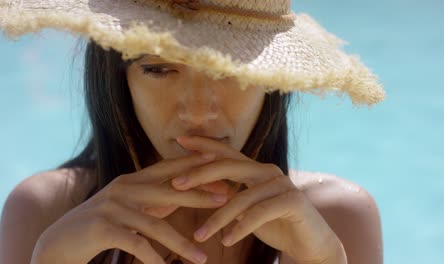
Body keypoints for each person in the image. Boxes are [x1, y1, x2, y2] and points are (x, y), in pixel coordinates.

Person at [0, 1, 385, 264]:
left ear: (273, 82)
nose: (199, 111)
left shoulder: (336, 218)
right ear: (115, 79)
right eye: (159, 69)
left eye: (231, 71)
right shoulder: (47, 213)